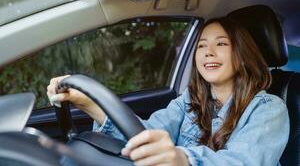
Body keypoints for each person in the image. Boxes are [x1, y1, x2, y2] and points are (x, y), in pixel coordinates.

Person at [47, 16, 289, 166]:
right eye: (202, 45)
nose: (208, 52)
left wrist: (182, 160)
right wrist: (89, 104)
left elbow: (243, 163)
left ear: (242, 56)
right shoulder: (188, 101)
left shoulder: (269, 109)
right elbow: (145, 133)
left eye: (221, 44)